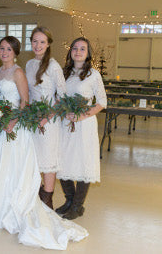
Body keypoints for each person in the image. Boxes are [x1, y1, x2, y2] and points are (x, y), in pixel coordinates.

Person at [0, 36, 88, 250]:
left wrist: (12, 121)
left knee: (14, 168)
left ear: (16, 53)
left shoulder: (18, 72)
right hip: (0, 127)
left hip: (14, 128)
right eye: (2, 49)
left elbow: (24, 101)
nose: (5, 52)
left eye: (9, 49)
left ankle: (29, 205)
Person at [56, 37, 107, 220]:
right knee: (62, 160)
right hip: (65, 123)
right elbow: (58, 97)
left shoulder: (93, 74)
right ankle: (69, 200)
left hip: (84, 124)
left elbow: (102, 101)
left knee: (83, 162)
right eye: (75, 48)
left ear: (88, 53)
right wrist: (62, 111)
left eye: (82, 49)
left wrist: (82, 115)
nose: (78, 51)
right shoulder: (64, 73)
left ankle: (78, 206)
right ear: (70, 51)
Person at [25, 27, 66, 209]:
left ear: (48, 44)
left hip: (48, 122)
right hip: (32, 119)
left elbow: (62, 97)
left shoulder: (54, 66)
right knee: (34, 159)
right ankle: (36, 197)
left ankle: (47, 202)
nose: (38, 45)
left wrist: (45, 118)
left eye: (42, 42)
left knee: (48, 161)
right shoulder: (29, 64)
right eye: (35, 41)